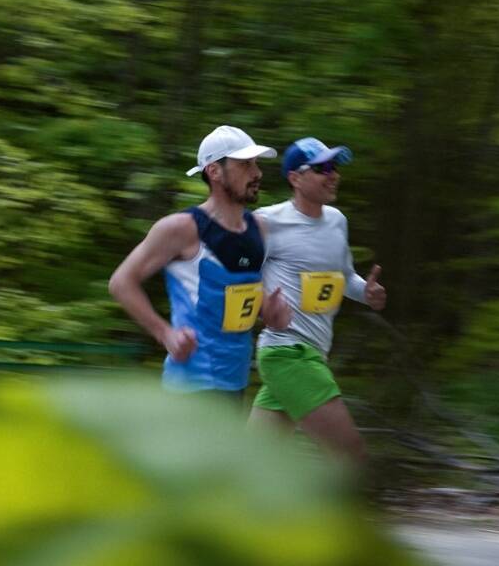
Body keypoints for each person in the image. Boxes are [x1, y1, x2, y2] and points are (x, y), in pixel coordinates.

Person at [108, 125, 291, 401]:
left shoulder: (260, 228)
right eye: (245, 164)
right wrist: (165, 333)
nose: (257, 173)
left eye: (255, 164)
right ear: (214, 172)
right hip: (192, 386)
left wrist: (270, 313)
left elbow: (236, 291)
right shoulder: (182, 228)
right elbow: (121, 283)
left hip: (236, 381)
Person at [248, 137, 386, 463]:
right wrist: (262, 307)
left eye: (335, 167)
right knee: (351, 455)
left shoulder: (337, 221)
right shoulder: (266, 222)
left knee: (253, 462)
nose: (333, 174)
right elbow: (236, 280)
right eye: (322, 168)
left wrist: (365, 292)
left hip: (313, 352)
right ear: (295, 178)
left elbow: (344, 278)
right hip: (287, 352)